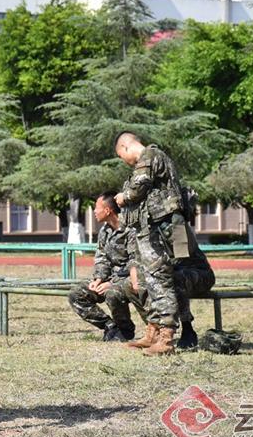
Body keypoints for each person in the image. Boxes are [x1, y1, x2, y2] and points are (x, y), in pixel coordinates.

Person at [113, 131, 187, 356]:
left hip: (162, 227)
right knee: (154, 276)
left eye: (121, 156)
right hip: (172, 225)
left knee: (159, 277)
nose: (125, 162)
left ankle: (166, 338)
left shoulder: (149, 155)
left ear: (126, 147)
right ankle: (154, 330)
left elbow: (139, 185)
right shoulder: (159, 157)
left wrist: (123, 197)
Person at [67, 192, 136, 342]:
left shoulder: (131, 229)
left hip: (131, 279)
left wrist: (112, 283)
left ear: (107, 210)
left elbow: (135, 263)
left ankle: (125, 329)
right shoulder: (105, 231)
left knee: (112, 293)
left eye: (96, 208)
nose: (94, 212)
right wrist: (99, 279)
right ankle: (110, 326)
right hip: (109, 279)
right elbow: (102, 258)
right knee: (77, 294)